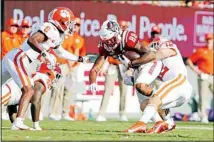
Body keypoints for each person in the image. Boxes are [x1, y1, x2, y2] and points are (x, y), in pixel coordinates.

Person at [2, 7, 89, 130]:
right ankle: (18, 122)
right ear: (60, 21)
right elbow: (33, 40)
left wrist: (79, 59)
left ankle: (18, 122)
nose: (70, 26)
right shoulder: (50, 28)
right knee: (29, 90)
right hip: (20, 57)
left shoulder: (58, 35)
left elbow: (61, 52)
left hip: (16, 57)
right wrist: (44, 53)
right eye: (68, 22)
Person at [123, 36, 192, 133]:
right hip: (173, 90)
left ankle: (141, 124)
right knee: (144, 104)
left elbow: (164, 52)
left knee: (156, 98)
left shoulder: (165, 47)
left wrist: (143, 59)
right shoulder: (155, 64)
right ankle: (168, 123)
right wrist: (132, 73)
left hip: (180, 82)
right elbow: (136, 80)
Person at [2, 61, 62, 130]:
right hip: (7, 92)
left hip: (8, 93)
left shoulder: (34, 77)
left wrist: (15, 123)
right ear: (49, 72)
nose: (56, 79)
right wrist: (36, 125)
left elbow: (12, 104)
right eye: (57, 75)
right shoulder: (43, 78)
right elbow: (35, 101)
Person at [49, 17, 86, 121]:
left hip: (72, 67)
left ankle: (65, 113)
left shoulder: (79, 39)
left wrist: (75, 65)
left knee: (69, 90)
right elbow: (61, 51)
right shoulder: (65, 35)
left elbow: (80, 53)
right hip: (63, 64)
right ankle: (54, 112)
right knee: (57, 88)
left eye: (78, 25)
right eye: (74, 24)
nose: (76, 27)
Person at [96, 20, 129, 122]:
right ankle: (101, 113)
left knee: (124, 91)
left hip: (124, 66)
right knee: (107, 90)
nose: (123, 28)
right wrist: (104, 65)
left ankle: (122, 113)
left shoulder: (127, 38)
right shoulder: (111, 36)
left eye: (125, 27)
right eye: (122, 26)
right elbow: (105, 51)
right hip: (112, 65)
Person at [186, 33, 213, 123]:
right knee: (203, 97)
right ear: (205, 40)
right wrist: (197, 71)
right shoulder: (201, 50)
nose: (209, 41)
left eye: (211, 39)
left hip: (213, 76)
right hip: (204, 76)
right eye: (208, 39)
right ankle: (203, 116)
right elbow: (189, 61)